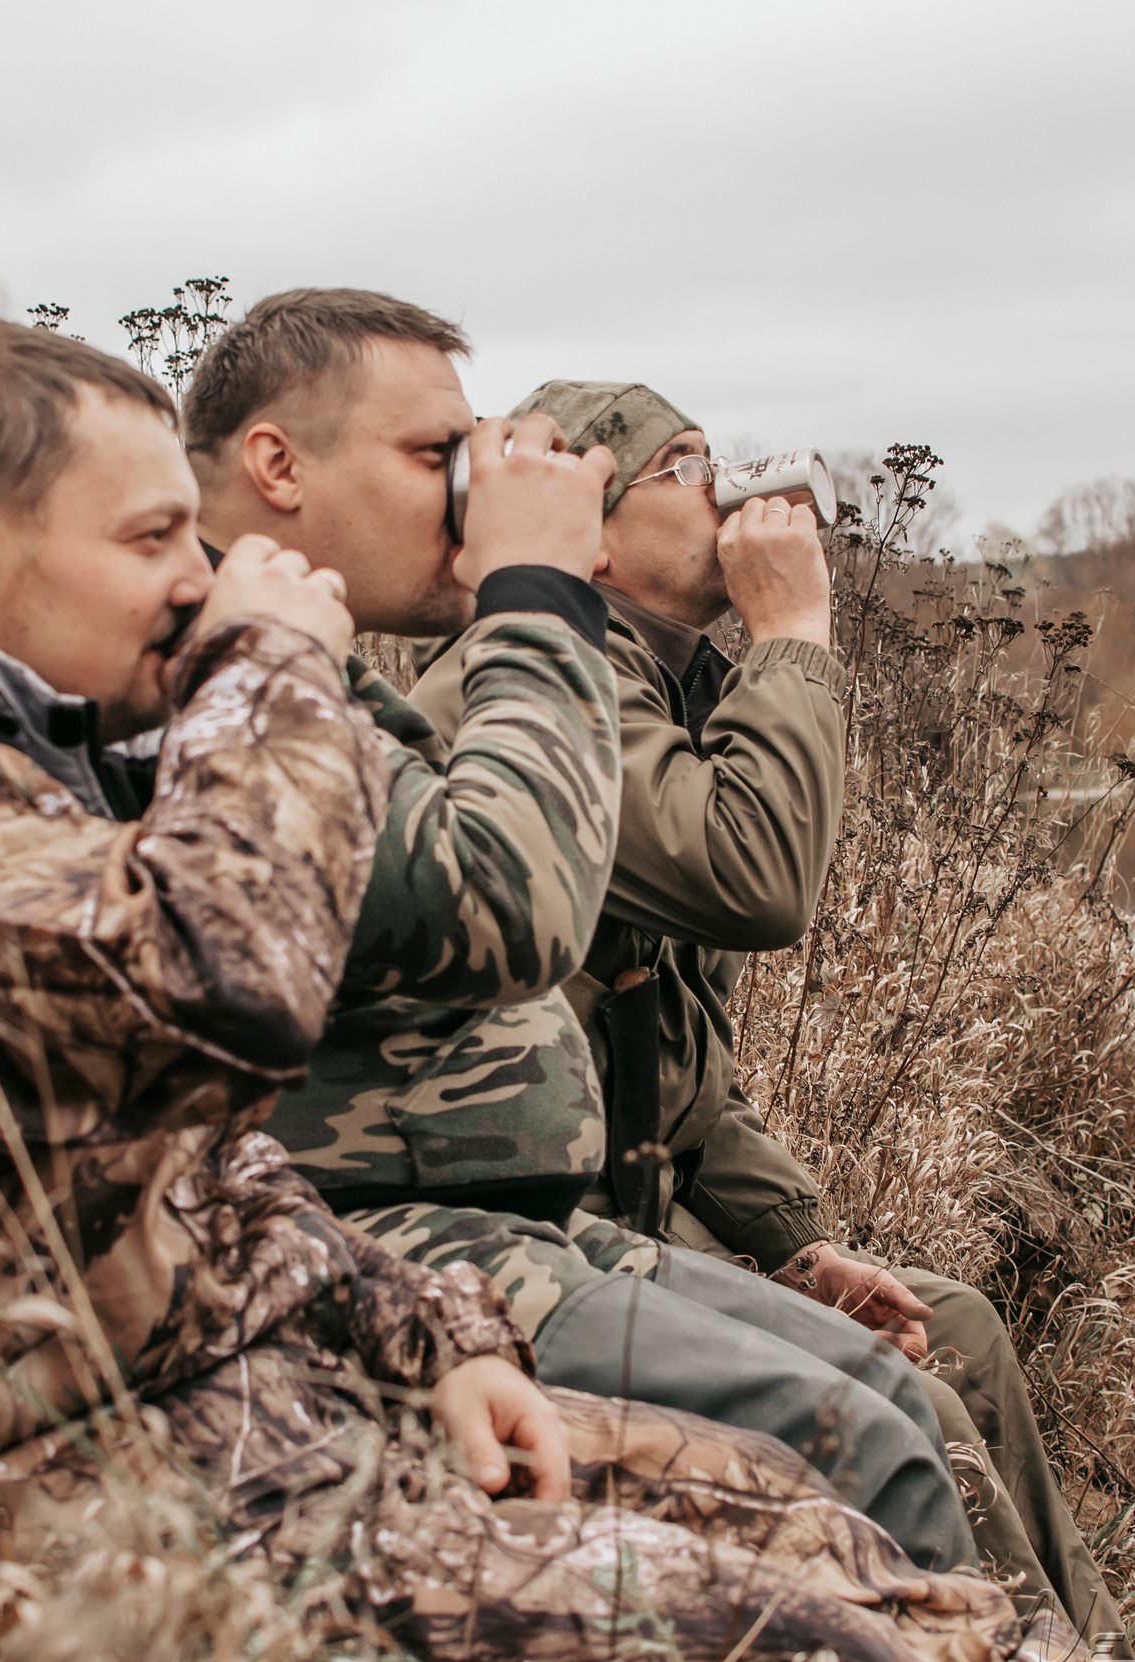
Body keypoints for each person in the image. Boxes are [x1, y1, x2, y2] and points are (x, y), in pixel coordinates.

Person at [0, 320, 1127, 1662]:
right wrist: (290, 655)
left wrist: (426, 1337)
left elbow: (194, 1153)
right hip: (57, 1524)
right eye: (150, 540)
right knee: (855, 1642)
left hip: (234, 1424)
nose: (197, 580)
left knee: (826, 1539)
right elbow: (239, 982)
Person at [183, 291, 974, 1576]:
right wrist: (539, 587)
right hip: (386, 1232)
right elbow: (539, 909)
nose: (468, 490)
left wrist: (787, 1236)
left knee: (903, 1399)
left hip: (508, 1215)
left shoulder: (320, 667)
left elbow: (669, 1039)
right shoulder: (247, 673)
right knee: (874, 1440)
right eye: (438, 455)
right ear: (278, 464)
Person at [409, 378, 1135, 1662]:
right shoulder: (534, 690)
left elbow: (686, 1060)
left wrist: (797, 1241)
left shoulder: (660, 680)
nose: (730, 492)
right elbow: (754, 875)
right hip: (543, 1222)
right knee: (913, 1401)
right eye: (685, 469)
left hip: (637, 1187)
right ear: (585, 521)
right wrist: (795, 630)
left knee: (951, 1321)